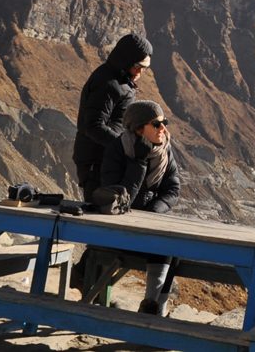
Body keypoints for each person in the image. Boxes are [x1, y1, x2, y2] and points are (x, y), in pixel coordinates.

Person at [99, 99, 183, 315]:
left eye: (164, 122)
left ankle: (153, 307)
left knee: (175, 246)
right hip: (118, 229)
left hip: (149, 223)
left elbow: (172, 190)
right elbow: (120, 198)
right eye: (156, 124)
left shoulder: (164, 150)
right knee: (167, 246)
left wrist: (154, 213)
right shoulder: (117, 150)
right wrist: (140, 162)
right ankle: (156, 311)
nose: (163, 128)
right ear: (138, 128)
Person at [72, 32, 152, 196]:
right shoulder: (108, 83)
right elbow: (93, 125)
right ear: (126, 60)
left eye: (144, 68)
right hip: (98, 161)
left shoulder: (120, 80)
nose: (140, 72)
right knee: (100, 208)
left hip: (107, 157)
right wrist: (123, 146)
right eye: (137, 66)